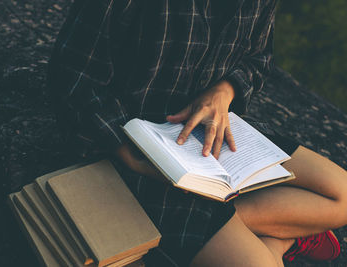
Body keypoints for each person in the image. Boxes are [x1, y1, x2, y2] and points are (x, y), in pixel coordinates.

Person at [46, 0, 347, 266]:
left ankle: (232, 233)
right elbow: (73, 76)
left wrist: (225, 89)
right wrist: (125, 152)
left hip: (213, 135)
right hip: (136, 153)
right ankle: (281, 233)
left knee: (342, 195)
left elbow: (259, 59)